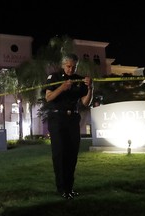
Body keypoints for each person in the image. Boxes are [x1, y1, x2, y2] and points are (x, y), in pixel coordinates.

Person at [44, 53, 93, 200]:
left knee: (72, 154)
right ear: (63, 65)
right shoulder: (54, 77)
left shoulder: (79, 79)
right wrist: (62, 88)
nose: (71, 69)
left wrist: (90, 88)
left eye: (74, 66)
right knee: (59, 154)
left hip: (73, 119)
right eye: (68, 66)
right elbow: (48, 97)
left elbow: (85, 103)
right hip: (57, 118)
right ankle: (61, 189)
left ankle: (70, 188)